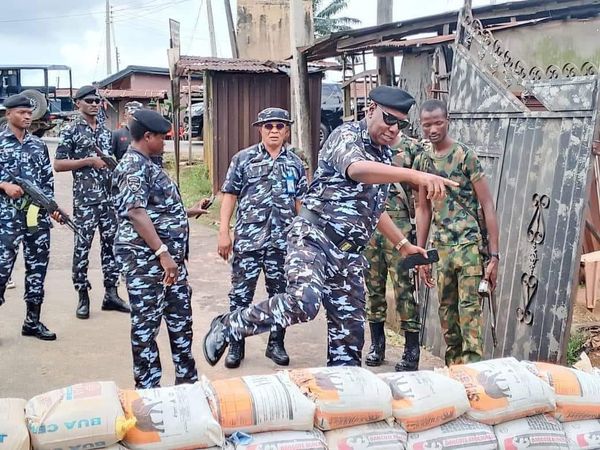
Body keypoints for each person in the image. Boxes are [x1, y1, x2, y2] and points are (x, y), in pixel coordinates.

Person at [202, 86, 458, 367]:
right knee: (304, 301)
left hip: (348, 256)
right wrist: (415, 175)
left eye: (400, 124)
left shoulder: (383, 155)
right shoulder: (346, 136)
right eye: (388, 119)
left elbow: (373, 209)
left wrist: (403, 244)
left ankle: (342, 398)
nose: (394, 129)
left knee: (348, 341)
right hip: (315, 238)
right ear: (370, 110)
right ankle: (230, 325)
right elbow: (357, 169)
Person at [111, 109, 200, 389]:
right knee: (147, 327)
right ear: (147, 136)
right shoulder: (132, 167)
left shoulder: (149, 163)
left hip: (170, 265)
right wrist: (162, 253)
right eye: (162, 138)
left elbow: (157, 209)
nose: (164, 142)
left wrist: (186, 212)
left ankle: (187, 383)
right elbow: (135, 212)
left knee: (180, 321)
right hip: (148, 264)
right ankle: (148, 390)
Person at [218, 107, 308, 369]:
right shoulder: (243, 159)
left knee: (281, 294)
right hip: (248, 240)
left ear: (287, 130)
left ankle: (276, 343)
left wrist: (303, 237)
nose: (274, 131)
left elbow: (300, 203)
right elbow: (230, 195)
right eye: (269, 126)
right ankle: (236, 344)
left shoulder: (294, 163)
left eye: (280, 126)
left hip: (282, 243)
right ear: (260, 129)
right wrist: (224, 232)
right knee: (240, 295)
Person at [414, 99, 500, 366]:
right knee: (447, 318)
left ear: (448, 120)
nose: (433, 129)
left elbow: (487, 204)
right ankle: (455, 373)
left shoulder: (465, 156)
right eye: (427, 125)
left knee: (470, 315)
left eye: (438, 123)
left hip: (468, 247)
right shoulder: (422, 160)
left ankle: (474, 376)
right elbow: (423, 208)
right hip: (441, 250)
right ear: (421, 126)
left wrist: (494, 255)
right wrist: (421, 255)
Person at [54, 85, 130, 319]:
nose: (95, 104)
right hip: (86, 201)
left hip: (108, 199)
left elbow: (114, 162)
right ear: (78, 104)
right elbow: (58, 164)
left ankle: (111, 294)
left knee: (111, 247)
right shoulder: (71, 131)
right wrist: (87, 161)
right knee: (83, 248)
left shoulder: (107, 132)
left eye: (97, 101)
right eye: (89, 101)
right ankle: (82, 295)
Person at [0, 94, 64, 340]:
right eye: (21, 112)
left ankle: (32, 322)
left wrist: (52, 208)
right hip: (6, 219)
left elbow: (47, 183)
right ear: (9, 114)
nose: (27, 116)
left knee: (37, 269)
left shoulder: (38, 146)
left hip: (35, 219)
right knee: (2, 270)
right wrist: (4, 185)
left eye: (29, 113)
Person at [364, 133, 425, 371]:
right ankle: (377, 345)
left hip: (400, 229)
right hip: (370, 228)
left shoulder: (411, 148)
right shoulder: (365, 146)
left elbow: (420, 202)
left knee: (404, 290)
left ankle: (412, 350)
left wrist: (419, 241)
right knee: (373, 288)